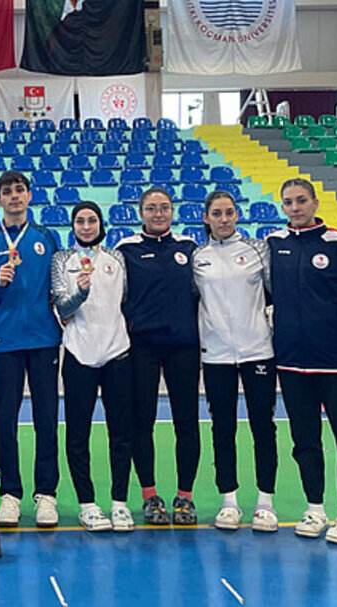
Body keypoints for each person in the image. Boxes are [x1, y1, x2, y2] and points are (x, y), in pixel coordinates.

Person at [267, 178, 337, 545]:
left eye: (301, 200)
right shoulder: (273, 244)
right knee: (304, 441)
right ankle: (315, 509)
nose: (295, 207)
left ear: (315, 202)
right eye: (288, 202)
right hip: (292, 362)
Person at [0, 171, 62, 528]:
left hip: (44, 339)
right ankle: (10, 493)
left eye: (20, 190)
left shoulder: (46, 237)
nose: (14, 196)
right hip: (4, 340)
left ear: (29, 196)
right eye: (7, 191)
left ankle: (46, 493)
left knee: (46, 418)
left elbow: (59, 288)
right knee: (6, 419)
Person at [192, 190, 278, 532]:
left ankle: (265, 502)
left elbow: (275, 291)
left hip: (258, 350)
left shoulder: (258, 250)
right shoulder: (198, 257)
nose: (224, 219)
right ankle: (229, 500)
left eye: (229, 212)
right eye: (217, 213)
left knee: (263, 426)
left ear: (237, 215)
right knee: (222, 427)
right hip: (215, 355)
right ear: (206, 218)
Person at [116, 188, 201, 526]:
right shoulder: (126, 250)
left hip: (183, 346)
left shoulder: (189, 248)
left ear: (172, 211)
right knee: (142, 421)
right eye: (151, 208)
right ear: (141, 213)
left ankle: (185, 496)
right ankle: (149, 495)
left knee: (187, 422)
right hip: (142, 347)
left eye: (164, 207)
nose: (158, 213)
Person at [52, 201, 134, 532]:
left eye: (92, 220)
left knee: (121, 432)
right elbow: (62, 307)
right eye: (80, 221)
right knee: (77, 433)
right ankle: (87, 504)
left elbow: (124, 300)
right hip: (79, 353)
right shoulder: (62, 260)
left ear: (101, 224)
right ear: (73, 226)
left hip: (117, 353)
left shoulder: (117, 258)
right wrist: (81, 294)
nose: (86, 227)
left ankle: (120, 503)